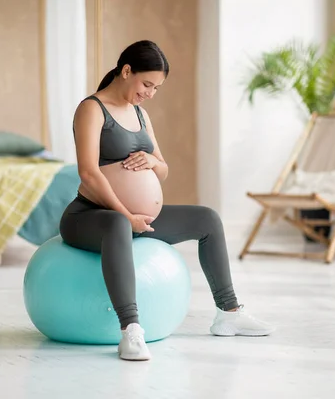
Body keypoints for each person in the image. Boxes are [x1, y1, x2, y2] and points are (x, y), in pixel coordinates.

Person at [60, 40, 274, 361]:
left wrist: (150, 160)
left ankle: (228, 313)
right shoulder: (91, 108)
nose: (150, 93)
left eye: (157, 88)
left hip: (134, 218)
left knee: (207, 219)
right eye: (147, 84)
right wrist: (126, 215)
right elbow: (88, 174)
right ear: (126, 70)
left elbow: (163, 169)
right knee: (117, 223)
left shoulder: (141, 114)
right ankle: (130, 330)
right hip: (90, 216)